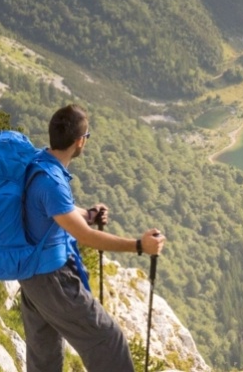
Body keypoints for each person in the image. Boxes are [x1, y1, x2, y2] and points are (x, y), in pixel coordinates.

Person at [20, 104, 166, 371]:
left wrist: (87, 213)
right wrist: (139, 246)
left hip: (31, 276)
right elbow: (85, 237)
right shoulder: (52, 182)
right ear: (79, 142)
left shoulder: (39, 163)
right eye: (87, 137)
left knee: (45, 356)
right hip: (53, 279)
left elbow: (58, 211)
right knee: (108, 341)